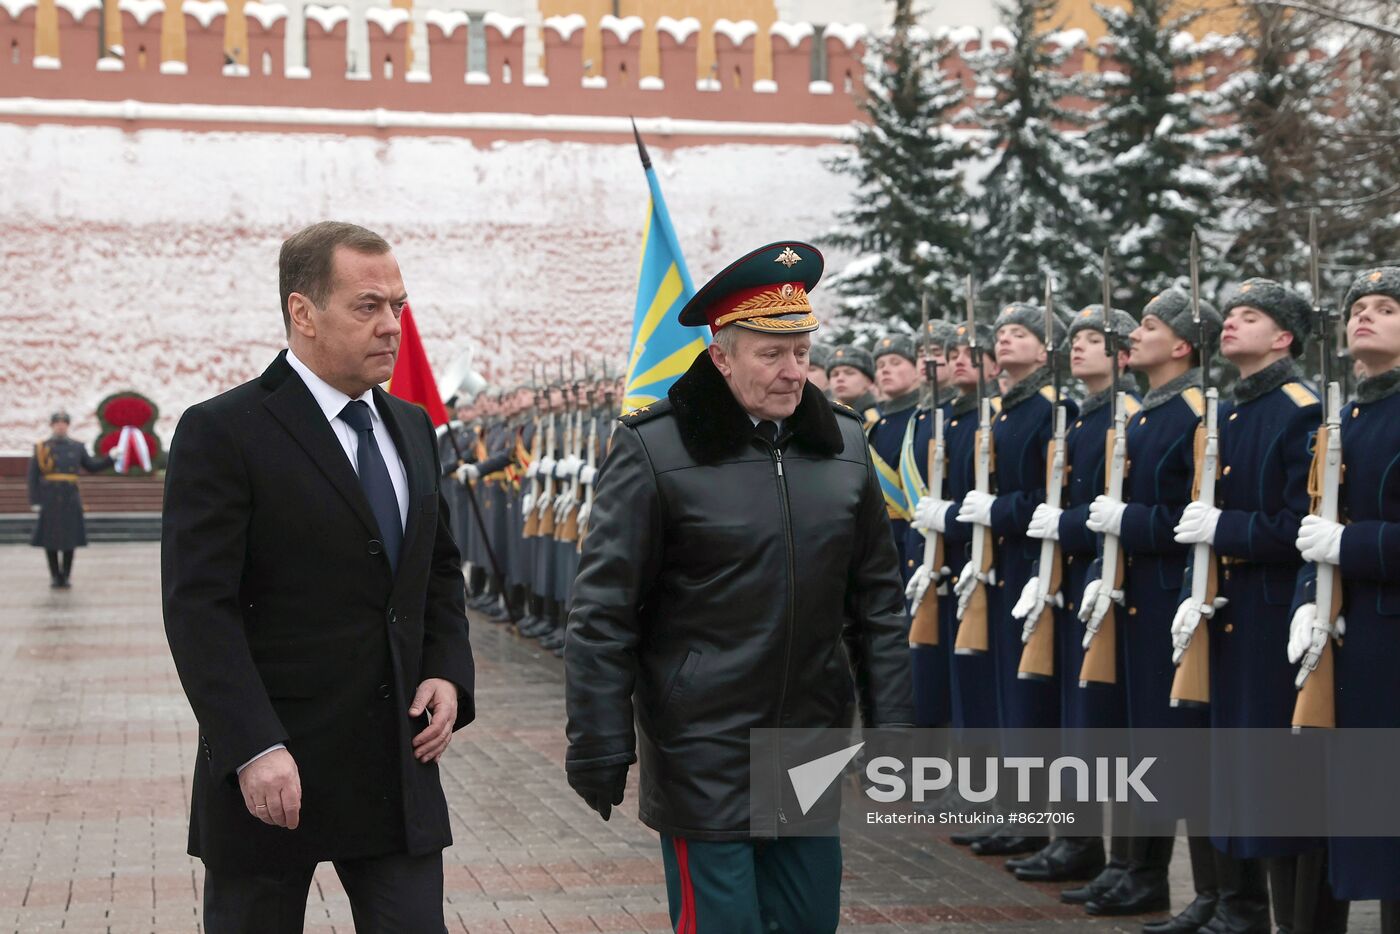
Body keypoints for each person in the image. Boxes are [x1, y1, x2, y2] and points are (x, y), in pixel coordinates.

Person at [563, 241, 913, 933]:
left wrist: (894, 725)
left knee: (810, 922)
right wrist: (599, 739)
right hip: (704, 745)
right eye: (770, 354)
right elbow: (603, 613)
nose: (793, 373)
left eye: (803, 352)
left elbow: (878, 602)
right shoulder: (655, 449)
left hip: (808, 744)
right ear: (721, 357)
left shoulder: (842, 446)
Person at [161, 221, 476, 933]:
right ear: (303, 313)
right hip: (275, 771)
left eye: (399, 305)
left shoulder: (411, 426)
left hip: (396, 766)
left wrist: (447, 671)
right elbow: (198, 607)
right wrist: (252, 746)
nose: (392, 326)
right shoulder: (225, 430)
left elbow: (437, 571)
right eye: (369, 306)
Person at [1080, 287, 1219, 918]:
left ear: (1183, 345)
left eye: (1151, 326)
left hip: (1170, 592)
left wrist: (1127, 520)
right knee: (1138, 739)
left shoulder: (1192, 410)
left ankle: (1149, 874)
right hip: (1137, 593)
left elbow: (1189, 516)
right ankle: (1130, 866)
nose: (1136, 334)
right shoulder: (1145, 414)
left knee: (1164, 743)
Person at [1014, 304, 1138, 888]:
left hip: (1114, 580)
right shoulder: (1085, 418)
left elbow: (1109, 511)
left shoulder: (1125, 414)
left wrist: (1061, 527)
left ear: (1124, 352)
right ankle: (1078, 839)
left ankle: (1121, 859)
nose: (1080, 347)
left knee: (1113, 729)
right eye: (1077, 339)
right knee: (1073, 719)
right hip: (1075, 575)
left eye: (1094, 339)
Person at [1293, 267, 1400, 932]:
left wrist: (1351, 546)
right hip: (1351, 639)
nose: (1365, 315)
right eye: (1358, 307)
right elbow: (1314, 522)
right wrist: (1310, 597)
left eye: (1386, 307)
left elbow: (1338, 534)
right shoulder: (1346, 415)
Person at [27, 410, 114, 587]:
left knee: (70, 538)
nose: (60, 426)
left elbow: (92, 467)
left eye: (64, 423)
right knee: (49, 540)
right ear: (52, 426)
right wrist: (35, 500)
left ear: (67, 425)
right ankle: (54, 575)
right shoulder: (42, 447)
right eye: (57, 423)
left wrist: (111, 458)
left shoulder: (77, 447)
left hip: (70, 498)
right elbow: (33, 476)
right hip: (49, 497)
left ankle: (65, 575)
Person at [869, 334, 923, 574]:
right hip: (880, 539)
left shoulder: (922, 418)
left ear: (917, 369)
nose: (885, 371)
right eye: (880, 366)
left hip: (913, 534)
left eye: (895, 362)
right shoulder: (875, 427)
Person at [828, 345, 880, 425]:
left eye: (849, 373)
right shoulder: (827, 418)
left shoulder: (877, 418)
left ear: (868, 381)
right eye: (835, 374)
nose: (840, 378)